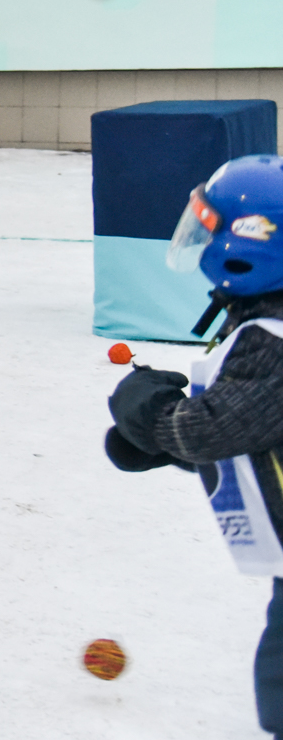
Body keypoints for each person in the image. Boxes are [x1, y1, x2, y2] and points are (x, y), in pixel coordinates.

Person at [105, 154, 283, 738]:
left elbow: (213, 427)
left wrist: (152, 414)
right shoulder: (265, 319)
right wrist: (166, 448)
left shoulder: (274, 341)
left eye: (206, 230)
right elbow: (255, 427)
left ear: (247, 249)